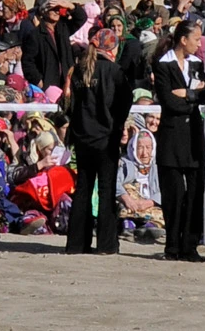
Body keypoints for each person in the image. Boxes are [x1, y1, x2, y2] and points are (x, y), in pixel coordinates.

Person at [65, 24, 132, 254]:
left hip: (82, 138)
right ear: (112, 47)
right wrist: (119, 125)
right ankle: (107, 243)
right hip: (107, 139)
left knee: (82, 188)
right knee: (106, 190)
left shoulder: (78, 70)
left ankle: (76, 243)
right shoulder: (115, 72)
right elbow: (124, 103)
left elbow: (69, 105)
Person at [153, 17, 205, 262]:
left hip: (194, 137)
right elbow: (168, 101)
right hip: (172, 137)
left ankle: (190, 245)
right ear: (183, 40)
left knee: (195, 194)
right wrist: (192, 98)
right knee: (173, 195)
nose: (199, 44)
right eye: (196, 39)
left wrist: (187, 93)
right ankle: (172, 245)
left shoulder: (197, 63)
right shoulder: (163, 65)